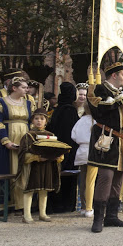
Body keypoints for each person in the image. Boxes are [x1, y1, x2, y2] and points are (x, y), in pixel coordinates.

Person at [87, 62, 123, 233]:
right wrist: (119, 101)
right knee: (105, 178)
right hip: (107, 139)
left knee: (118, 179)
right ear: (114, 75)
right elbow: (98, 109)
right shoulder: (99, 90)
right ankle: (98, 219)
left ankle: (111, 216)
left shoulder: (122, 93)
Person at [0, 77, 34, 215]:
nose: (26, 89)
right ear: (14, 88)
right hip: (7, 139)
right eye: (23, 87)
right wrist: (6, 141)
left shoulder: (28, 103)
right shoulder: (0, 102)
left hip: (24, 138)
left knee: (24, 170)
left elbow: (31, 122)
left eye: (27, 87)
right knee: (7, 168)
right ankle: (7, 204)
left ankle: (22, 205)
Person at [15, 109, 64, 223]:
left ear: (46, 121)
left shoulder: (51, 136)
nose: (39, 121)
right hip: (33, 167)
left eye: (42, 119)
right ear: (32, 120)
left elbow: (57, 150)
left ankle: (43, 213)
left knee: (44, 189)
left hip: (47, 165)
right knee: (30, 189)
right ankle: (27, 215)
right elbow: (23, 153)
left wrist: (58, 157)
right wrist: (36, 158)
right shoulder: (28, 136)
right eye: (36, 118)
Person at [46, 82, 80, 213]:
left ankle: (55, 204)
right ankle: (65, 205)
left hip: (57, 147)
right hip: (68, 149)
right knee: (68, 177)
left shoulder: (58, 109)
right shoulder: (69, 110)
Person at [71, 109, 95, 217]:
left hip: (81, 151)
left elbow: (73, 136)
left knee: (83, 180)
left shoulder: (80, 121)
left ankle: (83, 206)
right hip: (92, 152)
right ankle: (90, 207)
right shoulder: (96, 120)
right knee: (91, 180)